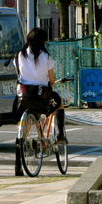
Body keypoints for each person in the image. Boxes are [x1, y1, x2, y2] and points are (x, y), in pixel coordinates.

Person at [13, 27, 67, 176]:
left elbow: (19, 76)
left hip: (24, 98)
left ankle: (18, 165)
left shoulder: (18, 56)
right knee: (59, 102)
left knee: (23, 130)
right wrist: (50, 82)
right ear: (43, 41)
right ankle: (61, 134)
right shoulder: (46, 57)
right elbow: (51, 80)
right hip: (41, 97)